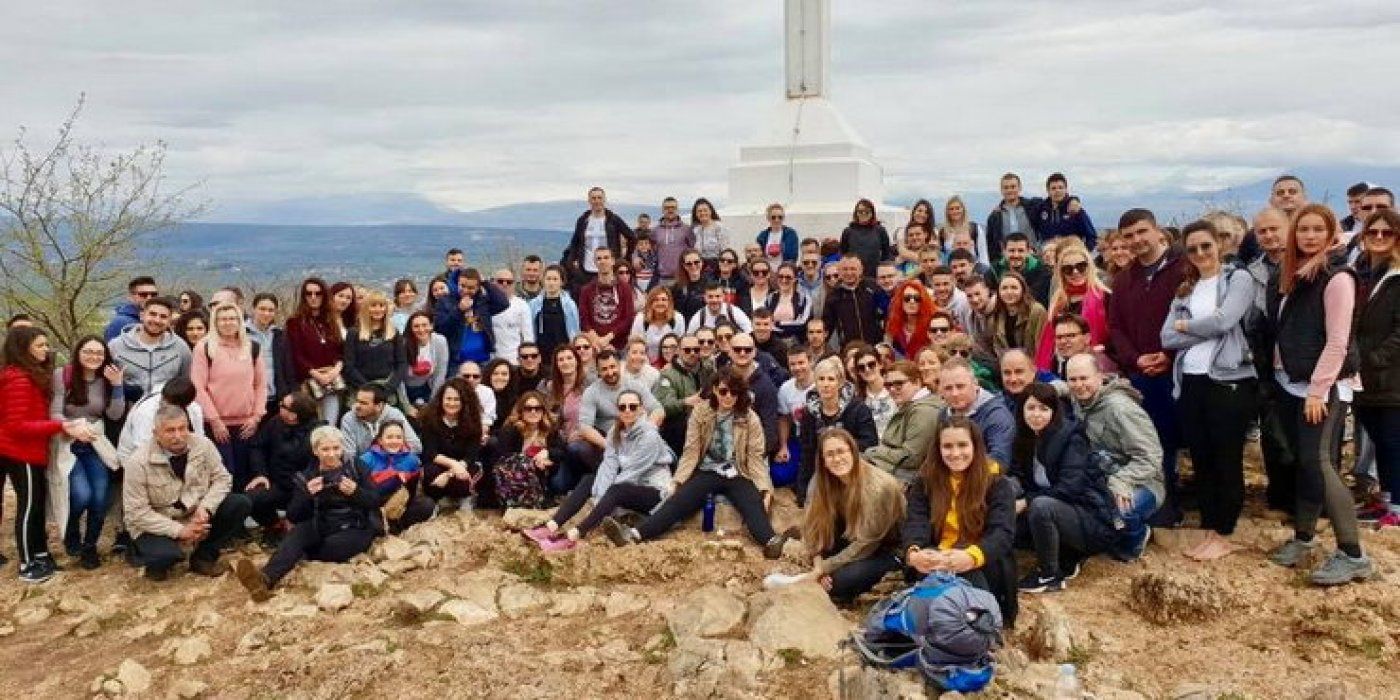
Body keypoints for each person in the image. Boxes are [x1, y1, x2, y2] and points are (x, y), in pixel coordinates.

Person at [1265, 203, 1372, 585]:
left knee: (1320, 463)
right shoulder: (1293, 274)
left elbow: (1338, 341)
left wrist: (1317, 391)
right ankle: (1305, 537)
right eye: (1303, 229)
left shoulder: (1337, 277)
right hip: (1292, 382)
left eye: (1317, 229)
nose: (1309, 236)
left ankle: (1353, 554)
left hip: (1321, 387)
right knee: (1306, 463)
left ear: (1330, 234)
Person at [601, 370, 788, 558]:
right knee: (678, 501)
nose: (728, 396)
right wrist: (678, 480)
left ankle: (771, 541)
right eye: (723, 391)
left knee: (753, 503)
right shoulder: (701, 412)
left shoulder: (749, 418)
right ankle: (634, 535)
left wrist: (765, 488)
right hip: (707, 470)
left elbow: (755, 457)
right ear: (714, 390)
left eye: (734, 392)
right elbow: (691, 451)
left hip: (738, 471)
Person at [1159, 220, 1261, 559]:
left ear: (1219, 244)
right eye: (1193, 249)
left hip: (1228, 379)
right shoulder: (1186, 289)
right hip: (1190, 380)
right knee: (1201, 458)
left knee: (1225, 457)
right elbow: (1166, 337)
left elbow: (1225, 321)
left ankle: (1224, 530)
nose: (1201, 253)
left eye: (1206, 245)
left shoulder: (1237, 279)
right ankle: (1209, 526)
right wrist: (1200, 328)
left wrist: (1186, 325)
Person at [233, 425, 383, 602]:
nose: (331, 454)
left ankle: (299, 554)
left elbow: (375, 500)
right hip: (323, 522)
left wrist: (356, 492)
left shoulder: (357, 467)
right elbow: (293, 515)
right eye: (325, 449)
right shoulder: (307, 475)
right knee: (297, 534)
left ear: (342, 448)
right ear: (315, 451)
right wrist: (307, 494)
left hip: (354, 525)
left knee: (333, 546)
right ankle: (265, 580)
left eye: (336, 448)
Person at [1108, 208, 1187, 527]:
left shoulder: (1183, 269)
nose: (1137, 240)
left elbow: (1192, 318)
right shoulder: (1124, 279)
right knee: (1148, 441)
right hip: (1140, 373)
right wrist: (1135, 359)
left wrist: (1168, 354)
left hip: (1178, 370)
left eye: (1142, 232)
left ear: (1157, 231)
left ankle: (1180, 503)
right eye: (1129, 236)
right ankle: (1159, 505)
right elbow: (1116, 327)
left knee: (1175, 439)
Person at [1, 326, 97, 581]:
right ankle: (27, 564)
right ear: (23, 349)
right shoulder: (19, 380)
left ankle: (41, 554)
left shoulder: (30, 375)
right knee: (28, 508)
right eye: (40, 345)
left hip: (33, 451)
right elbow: (16, 425)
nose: (46, 349)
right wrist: (60, 426)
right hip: (21, 452)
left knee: (37, 506)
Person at [903, 417, 1018, 627]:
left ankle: (983, 623)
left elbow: (1002, 534)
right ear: (938, 449)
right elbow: (915, 523)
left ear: (976, 446)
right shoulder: (924, 481)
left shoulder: (997, 483)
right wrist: (915, 553)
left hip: (983, 561)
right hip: (936, 559)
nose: (955, 453)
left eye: (963, 445)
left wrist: (970, 557)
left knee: (968, 573)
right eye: (947, 446)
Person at [122, 404, 252, 581]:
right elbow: (137, 513)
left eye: (182, 428)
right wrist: (180, 531)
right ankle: (145, 556)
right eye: (170, 430)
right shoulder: (137, 462)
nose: (178, 436)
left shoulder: (203, 445)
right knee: (167, 556)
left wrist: (206, 508)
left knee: (240, 503)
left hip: (193, 512)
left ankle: (203, 557)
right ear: (156, 433)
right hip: (156, 522)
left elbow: (223, 479)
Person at [531, 390, 674, 546]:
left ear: (641, 409)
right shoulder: (616, 431)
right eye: (623, 407)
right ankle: (552, 525)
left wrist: (604, 501)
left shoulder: (649, 436)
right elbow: (609, 465)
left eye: (633, 407)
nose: (627, 410)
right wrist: (600, 497)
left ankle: (575, 535)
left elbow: (631, 473)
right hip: (632, 485)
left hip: (655, 491)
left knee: (617, 490)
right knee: (590, 480)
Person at [1016, 383, 1117, 594]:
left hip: (1090, 519)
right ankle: (1067, 556)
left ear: (1054, 411)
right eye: (1031, 408)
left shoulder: (1071, 437)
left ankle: (1050, 575)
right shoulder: (1025, 438)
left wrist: (1027, 501)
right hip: (1062, 514)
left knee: (1041, 506)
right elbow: (1019, 476)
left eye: (1044, 409)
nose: (1036, 414)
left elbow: (1070, 488)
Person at [1065, 355, 1163, 562]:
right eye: (1072, 379)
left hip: (1141, 481)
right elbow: (1064, 389)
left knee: (1119, 511)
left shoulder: (1121, 409)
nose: (1079, 385)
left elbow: (1150, 457)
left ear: (1100, 377)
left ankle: (1135, 539)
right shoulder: (1080, 399)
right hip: (1102, 476)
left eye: (1084, 378)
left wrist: (1122, 481)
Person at [795, 428, 906, 604]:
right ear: (823, 461)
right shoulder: (821, 482)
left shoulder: (878, 487)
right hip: (852, 534)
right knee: (829, 567)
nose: (837, 459)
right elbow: (812, 526)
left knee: (839, 582)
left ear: (853, 452)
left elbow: (867, 543)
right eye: (830, 454)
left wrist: (824, 568)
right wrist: (818, 561)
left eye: (841, 451)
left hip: (886, 546)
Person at [49, 335, 125, 568]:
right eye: (88, 351)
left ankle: (89, 546)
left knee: (99, 499)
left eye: (99, 353)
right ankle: (71, 534)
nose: (94, 357)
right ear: (78, 352)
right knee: (81, 496)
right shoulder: (63, 375)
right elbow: (55, 412)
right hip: (68, 443)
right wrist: (72, 427)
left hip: (94, 444)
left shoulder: (106, 379)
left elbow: (114, 414)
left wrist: (117, 386)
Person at [1246, 207, 1295, 513]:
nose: (1268, 235)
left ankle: (1307, 498)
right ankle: (1279, 493)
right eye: (1262, 231)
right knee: (1272, 432)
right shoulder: (1251, 273)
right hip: (1265, 361)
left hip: (1300, 360)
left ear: (1288, 228)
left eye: (1274, 229)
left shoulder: (1307, 265)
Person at [1353, 209, 1400, 526]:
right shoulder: (1366, 272)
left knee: (1393, 441)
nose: (1379, 237)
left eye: (1387, 232)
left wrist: (1374, 360)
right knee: (1381, 440)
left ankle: (1397, 507)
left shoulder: (1397, 277)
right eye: (1373, 232)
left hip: (1390, 376)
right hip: (1366, 378)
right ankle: (1385, 500)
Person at [192, 303, 268, 491]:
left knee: (244, 474)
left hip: (246, 424)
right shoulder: (204, 348)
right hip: (217, 425)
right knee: (223, 474)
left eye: (232, 318)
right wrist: (215, 420)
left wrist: (256, 417)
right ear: (215, 322)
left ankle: (243, 507)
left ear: (240, 321)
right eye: (223, 319)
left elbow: (260, 385)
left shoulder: (252, 347)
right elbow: (198, 387)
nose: (228, 323)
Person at [570, 350, 663, 485]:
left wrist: (647, 429)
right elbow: (585, 426)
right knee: (577, 448)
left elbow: (658, 409)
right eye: (604, 369)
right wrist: (609, 446)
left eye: (612, 367)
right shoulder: (591, 392)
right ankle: (602, 478)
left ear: (620, 365)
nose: (610, 372)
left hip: (635, 436)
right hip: (606, 440)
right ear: (598, 371)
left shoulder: (635, 385)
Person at [797, 357, 878, 503]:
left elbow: (870, 442)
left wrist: (840, 450)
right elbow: (807, 451)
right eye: (821, 379)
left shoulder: (858, 408)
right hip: (823, 468)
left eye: (831, 379)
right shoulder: (809, 413)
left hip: (854, 464)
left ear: (840, 382)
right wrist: (802, 488)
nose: (826, 384)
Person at [245, 391, 321, 546]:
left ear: (294, 415)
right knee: (252, 497)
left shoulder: (317, 433)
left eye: (283, 406)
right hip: (277, 483)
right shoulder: (275, 422)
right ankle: (274, 526)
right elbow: (258, 447)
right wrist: (260, 473)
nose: (279, 406)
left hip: (305, 488)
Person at [1035, 239, 1109, 371]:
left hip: (1094, 366)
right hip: (1062, 368)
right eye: (1068, 269)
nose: (1075, 272)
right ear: (1061, 273)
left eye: (1081, 266)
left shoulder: (1105, 297)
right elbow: (1048, 343)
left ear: (1089, 267)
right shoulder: (1058, 302)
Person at [864, 360, 941, 483]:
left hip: (910, 481)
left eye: (899, 384)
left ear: (917, 382)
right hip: (896, 472)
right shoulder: (909, 406)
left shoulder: (924, 411)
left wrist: (873, 452)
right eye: (888, 385)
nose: (892, 389)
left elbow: (911, 458)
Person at [108, 294, 193, 404]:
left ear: (169, 321)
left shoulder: (180, 347)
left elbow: (186, 382)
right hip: (128, 409)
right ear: (142, 315)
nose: (157, 320)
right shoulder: (116, 346)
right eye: (152, 314)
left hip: (166, 409)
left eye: (163, 316)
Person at [284, 278, 346, 422]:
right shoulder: (295, 322)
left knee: (330, 423)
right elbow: (296, 354)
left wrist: (335, 371)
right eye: (309, 293)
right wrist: (316, 375)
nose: (313, 297)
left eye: (318, 293)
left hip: (332, 380)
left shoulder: (332, 320)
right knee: (310, 423)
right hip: (308, 381)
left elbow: (341, 351)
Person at [359, 420, 435, 534]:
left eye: (399, 437)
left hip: (401, 504)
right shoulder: (366, 459)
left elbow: (413, 490)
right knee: (373, 525)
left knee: (427, 505)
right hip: (376, 505)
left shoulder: (412, 459)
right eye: (389, 437)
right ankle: (384, 526)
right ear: (380, 440)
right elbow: (362, 491)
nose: (394, 441)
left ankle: (398, 526)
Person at [938, 358, 1015, 469]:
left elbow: (999, 461)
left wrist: (962, 475)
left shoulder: (997, 416)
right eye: (948, 388)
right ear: (941, 390)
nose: (955, 393)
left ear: (975, 384)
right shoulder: (944, 414)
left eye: (960, 386)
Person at [496, 390, 568, 496]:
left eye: (538, 408)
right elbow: (504, 458)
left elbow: (562, 451)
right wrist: (532, 462)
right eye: (528, 408)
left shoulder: (550, 428)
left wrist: (547, 453)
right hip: (514, 479)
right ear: (521, 411)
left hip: (544, 474)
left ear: (543, 411)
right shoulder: (510, 430)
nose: (533, 412)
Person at [564, 187, 634, 290]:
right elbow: (575, 242)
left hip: (608, 269)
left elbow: (632, 237)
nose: (597, 201)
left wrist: (625, 258)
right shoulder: (583, 220)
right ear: (589, 201)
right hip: (585, 270)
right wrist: (572, 261)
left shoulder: (613, 219)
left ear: (604, 200)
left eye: (599, 198)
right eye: (594, 198)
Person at [245, 293, 294, 415]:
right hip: (250, 398)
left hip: (275, 399)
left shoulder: (279, 335)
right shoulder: (242, 334)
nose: (266, 313)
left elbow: (287, 367)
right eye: (262, 309)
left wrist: (289, 393)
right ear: (253, 309)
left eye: (271, 310)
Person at [339, 384, 422, 456]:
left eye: (363, 403)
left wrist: (387, 459)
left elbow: (415, 446)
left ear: (379, 406)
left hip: (395, 464)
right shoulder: (349, 418)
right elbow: (349, 455)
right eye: (357, 401)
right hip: (362, 466)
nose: (357, 406)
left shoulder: (394, 415)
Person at [578, 247, 635, 352]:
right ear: (594, 262)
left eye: (606, 258)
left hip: (619, 346)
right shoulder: (586, 290)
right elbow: (584, 319)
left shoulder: (625, 288)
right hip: (595, 345)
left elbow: (628, 318)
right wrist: (597, 341)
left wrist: (608, 338)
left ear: (613, 261)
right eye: (599, 258)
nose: (602, 261)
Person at [823, 255, 881, 347]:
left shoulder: (873, 287)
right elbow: (827, 327)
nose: (849, 273)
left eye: (853, 269)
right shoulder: (833, 296)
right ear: (839, 271)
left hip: (875, 346)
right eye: (845, 269)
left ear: (861, 270)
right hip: (849, 349)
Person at [398, 311, 449, 415]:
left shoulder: (440, 341)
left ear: (431, 326)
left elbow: (440, 374)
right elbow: (399, 379)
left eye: (424, 325)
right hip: (404, 390)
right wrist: (407, 406)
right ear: (410, 328)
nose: (421, 330)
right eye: (416, 326)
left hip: (427, 387)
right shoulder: (402, 344)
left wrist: (433, 403)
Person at [988, 271, 1048, 359]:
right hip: (1009, 364)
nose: (1009, 292)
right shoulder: (995, 316)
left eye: (1014, 288)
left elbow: (1043, 346)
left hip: (1033, 363)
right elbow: (998, 348)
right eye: (1004, 288)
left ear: (1023, 290)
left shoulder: (1036, 311)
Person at [985, 173, 1046, 259]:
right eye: (1006, 187)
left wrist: (1038, 250)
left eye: (1013, 187)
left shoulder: (1033, 207)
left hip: (1033, 258)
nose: (1010, 190)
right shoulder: (995, 216)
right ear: (1001, 190)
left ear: (1019, 188)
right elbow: (991, 244)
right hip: (1007, 260)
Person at [527, 265, 581, 363]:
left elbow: (575, 331)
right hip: (541, 354)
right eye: (548, 279)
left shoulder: (570, 305)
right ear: (543, 281)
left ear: (562, 282)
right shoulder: (533, 304)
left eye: (555, 279)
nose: (551, 283)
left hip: (563, 355)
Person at [1034, 173, 1096, 249]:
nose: (1057, 191)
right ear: (1048, 191)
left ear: (1066, 189)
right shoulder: (1040, 210)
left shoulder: (1075, 209)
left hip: (1070, 254)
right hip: (1048, 254)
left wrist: (1082, 253)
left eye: (1060, 188)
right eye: (1053, 188)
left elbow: (1092, 237)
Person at [489, 269, 535, 364]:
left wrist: (526, 358)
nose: (504, 284)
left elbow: (528, 336)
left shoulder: (522, 305)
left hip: (515, 360)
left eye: (509, 282)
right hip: (491, 359)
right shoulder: (486, 304)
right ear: (493, 283)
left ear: (514, 284)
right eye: (500, 281)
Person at [839, 198, 891, 280]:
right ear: (856, 213)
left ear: (872, 213)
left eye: (867, 212)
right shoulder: (848, 231)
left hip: (874, 274)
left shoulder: (880, 230)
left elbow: (886, 253)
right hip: (853, 275)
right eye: (860, 212)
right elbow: (843, 254)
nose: (863, 214)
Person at [631, 286, 686, 361]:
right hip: (645, 361)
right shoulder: (640, 318)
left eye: (664, 299)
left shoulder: (678, 318)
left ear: (669, 302)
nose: (660, 303)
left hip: (671, 361)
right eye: (656, 300)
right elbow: (634, 344)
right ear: (650, 302)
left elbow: (681, 345)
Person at [853, 348, 896, 438]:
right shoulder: (857, 399)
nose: (867, 369)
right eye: (861, 367)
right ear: (858, 372)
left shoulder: (894, 389)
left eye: (871, 364)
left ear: (880, 364)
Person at [886, 279, 934, 360]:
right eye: (907, 298)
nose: (912, 301)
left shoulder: (933, 323)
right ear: (900, 301)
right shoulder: (893, 324)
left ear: (923, 301)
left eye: (917, 298)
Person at [652, 197, 694, 284]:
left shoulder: (687, 229)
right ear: (662, 210)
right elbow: (648, 250)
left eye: (673, 207)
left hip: (683, 277)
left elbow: (693, 250)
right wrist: (636, 257)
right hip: (663, 278)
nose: (670, 210)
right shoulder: (655, 230)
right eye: (667, 208)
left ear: (677, 209)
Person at [105, 276, 160, 341]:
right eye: (143, 295)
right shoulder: (121, 323)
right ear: (130, 297)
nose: (149, 298)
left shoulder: (159, 319)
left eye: (154, 295)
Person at [767, 262, 812, 341]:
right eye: (780, 276)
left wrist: (778, 324)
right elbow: (766, 322)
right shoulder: (770, 297)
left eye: (788, 277)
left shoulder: (804, 298)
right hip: (774, 341)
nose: (784, 280)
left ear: (795, 278)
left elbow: (802, 323)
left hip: (797, 342)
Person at [686, 281, 753, 333]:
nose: (714, 300)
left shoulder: (734, 312)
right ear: (704, 298)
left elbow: (750, 332)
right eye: (710, 297)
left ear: (723, 297)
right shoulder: (699, 317)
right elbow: (689, 339)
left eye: (718, 296)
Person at [691, 198, 727, 274]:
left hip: (717, 266)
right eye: (699, 211)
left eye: (705, 210)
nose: (702, 213)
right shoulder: (696, 230)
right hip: (700, 266)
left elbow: (724, 250)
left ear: (711, 211)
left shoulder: (719, 227)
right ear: (696, 214)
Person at [671, 249, 709, 320]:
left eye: (696, 262)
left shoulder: (710, 284)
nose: (693, 266)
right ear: (684, 266)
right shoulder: (677, 287)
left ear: (702, 262)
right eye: (689, 264)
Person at [483, 358, 519, 433]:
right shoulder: (480, 394)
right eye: (495, 374)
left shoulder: (515, 399)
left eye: (504, 374)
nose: (500, 377)